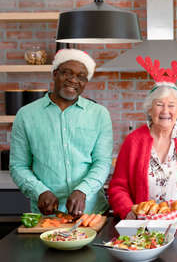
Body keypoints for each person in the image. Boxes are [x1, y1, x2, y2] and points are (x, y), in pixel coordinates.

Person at [10, 49, 113, 217]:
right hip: (47, 216)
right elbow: (18, 165)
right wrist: (39, 191)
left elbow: (102, 162)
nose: (73, 80)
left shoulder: (99, 114)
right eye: (67, 73)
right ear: (55, 74)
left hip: (91, 214)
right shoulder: (26, 115)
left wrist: (83, 190)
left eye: (81, 76)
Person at [108, 56, 177, 220]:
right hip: (142, 225)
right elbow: (118, 186)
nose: (165, 111)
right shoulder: (133, 141)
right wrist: (128, 212)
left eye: (171, 105)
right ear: (150, 110)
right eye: (159, 105)